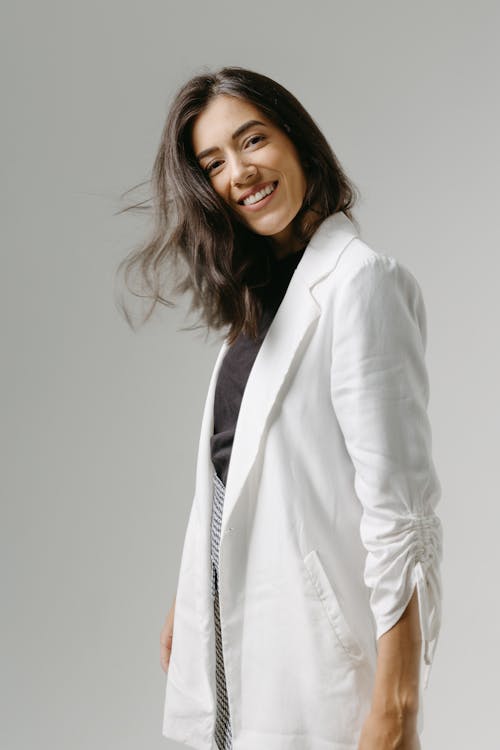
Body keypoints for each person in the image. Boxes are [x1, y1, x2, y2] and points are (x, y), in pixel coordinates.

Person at [117, 66, 443, 750]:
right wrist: (192, 593)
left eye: (252, 140)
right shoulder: (259, 304)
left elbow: (400, 514)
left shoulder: (361, 284)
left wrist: (398, 704)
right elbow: (234, 475)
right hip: (234, 649)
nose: (238, 172)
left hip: (315, 665)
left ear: (297, 140)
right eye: (214, 163)